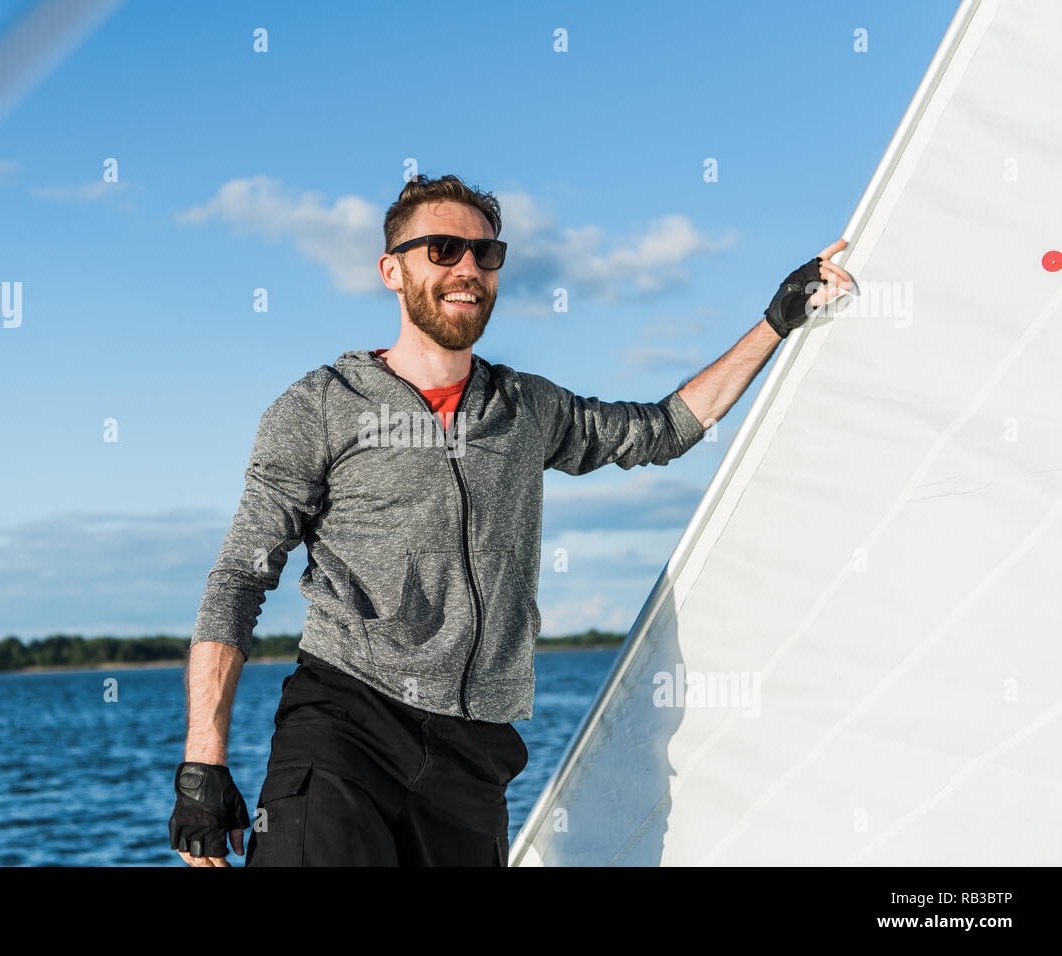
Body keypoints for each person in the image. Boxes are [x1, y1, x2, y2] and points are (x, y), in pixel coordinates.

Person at [167, 173, 853, 867]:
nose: (467, 268)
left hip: (475, 760)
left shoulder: (526, 407)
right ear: (391, 271)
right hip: (347, 730)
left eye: (484, 254)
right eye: (442, 249)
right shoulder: (322, 404)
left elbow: (664, 429)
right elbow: (238, 578)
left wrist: (775, 322)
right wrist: (203, 766)